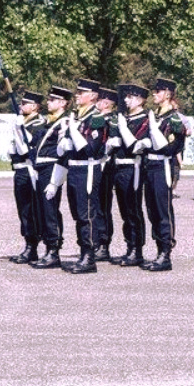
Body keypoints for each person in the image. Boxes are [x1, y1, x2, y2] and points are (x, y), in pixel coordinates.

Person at [47, 78, 108, 274]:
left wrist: (72, 132)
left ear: (92, 96)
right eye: (78, 92)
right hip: (74, 169)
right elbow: (64, 152)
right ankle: (83, 252)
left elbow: (90, 149)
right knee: (77, 214)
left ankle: (89, 256)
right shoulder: (78, 117)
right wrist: (55, 182)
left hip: (87, 169)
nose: (77, 95)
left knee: (86, 215)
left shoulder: (96, 118)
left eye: (82, 92)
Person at [139, 78, 187, 271]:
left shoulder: (173, 118)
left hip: (163, 165)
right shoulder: (156, 116)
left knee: (162, 209)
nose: (154, 95)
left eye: (158, 92)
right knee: (151, 209)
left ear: (167, 94)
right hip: (149, 165)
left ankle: (165, 253)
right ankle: (159, 248)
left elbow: (173, 146)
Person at [29, 85, 74, 269]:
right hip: (41, 168)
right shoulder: (47, 121)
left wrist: (56, 181)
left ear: (63, 103)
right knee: (42, 209)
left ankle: (54, 250)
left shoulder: (64, 122)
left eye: (53, 100)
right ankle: (47, 247)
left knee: (50, 209)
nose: (48, 102)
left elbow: (63, 153)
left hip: (52, 168)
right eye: (49, 99)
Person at [109, 84, 150, 267]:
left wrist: (123, 129)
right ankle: (129, 246)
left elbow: (134, 144)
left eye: (130, 97)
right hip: (119, 167)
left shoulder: (145, 119)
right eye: (125, 97)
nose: (126, 100)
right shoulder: (123, 118)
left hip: (133, 167)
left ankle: (137, 249)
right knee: (125, 211)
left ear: (140, 100)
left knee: (133, 210)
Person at [7, 90, 45, 264]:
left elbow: (27, 148)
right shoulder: (23, 122)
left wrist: (19, 129)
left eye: (25, 103)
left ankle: (34, 246)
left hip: (31, 171)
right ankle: (28, 244)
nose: (21, 106)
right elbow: (14, 150)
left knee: (32, 209)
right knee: (23, 209)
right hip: (20, 170)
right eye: (21, 103)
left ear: (35, 106)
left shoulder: (39, 123)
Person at [94, 87, 119, 262]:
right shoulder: (96, 119)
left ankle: (103, 244)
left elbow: (113, 142)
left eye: (99, 100)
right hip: (94, 165)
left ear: (105, 103)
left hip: (106, 166)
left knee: (102, 206)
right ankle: (96, 241)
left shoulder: (112, 120)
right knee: (94, 207)